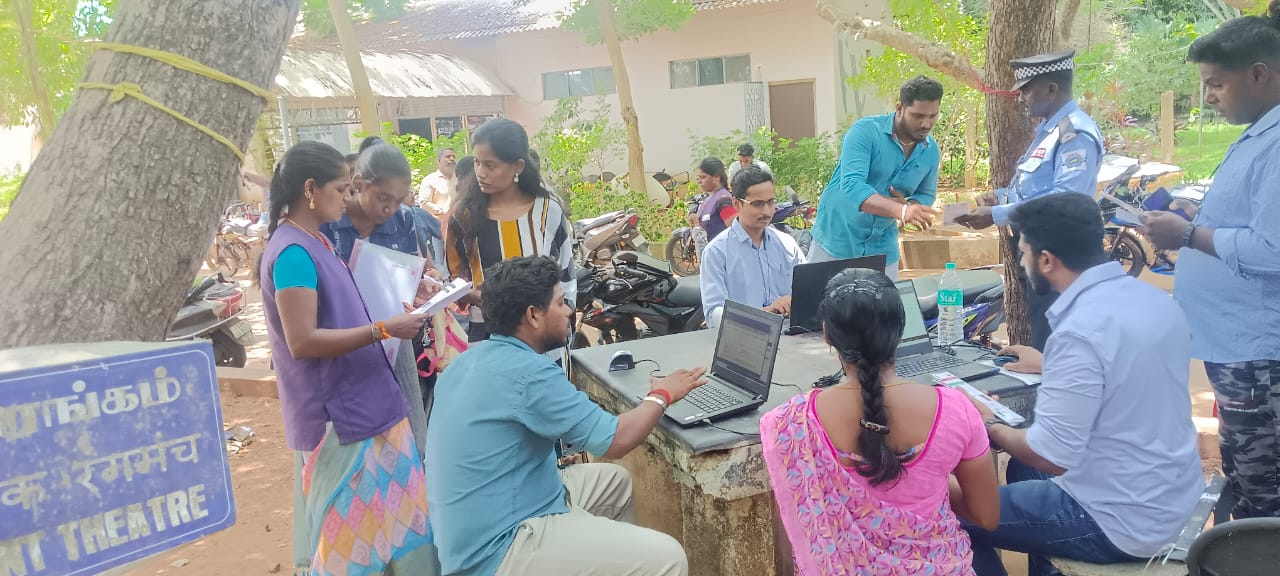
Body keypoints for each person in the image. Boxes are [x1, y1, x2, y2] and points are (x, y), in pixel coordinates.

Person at [961, 193, 1202, 576]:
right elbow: (1124, 370)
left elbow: (1050, 456)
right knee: (1022, 470)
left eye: (1023, 254)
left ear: (1046, 260)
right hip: (1172, 496)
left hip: (1118, 522)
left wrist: (989, 422)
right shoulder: (1151, 299)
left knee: (958, 512)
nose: (1021, 264)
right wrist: (1050, 365)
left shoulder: (1079, 332)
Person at [426, 255, 704, 576]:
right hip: (499, 547)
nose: (569, 311)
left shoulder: (467, 362)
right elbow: (615, 440)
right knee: (668, 557)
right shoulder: (529, 372)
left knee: (615, 483)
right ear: (533, 315)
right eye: (560, 303)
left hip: (472, 531)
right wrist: (662, 395)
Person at [258, 141, 440, 575]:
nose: (347, 197)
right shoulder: (293, 253)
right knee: (351, 547)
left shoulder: (316, 241)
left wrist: (407, 294)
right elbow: (303, 340)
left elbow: (346, 306)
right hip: (341, 421)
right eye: (341, 189)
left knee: (402, 529)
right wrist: (383, 329)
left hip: (371, 407)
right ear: (310, 189)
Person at [761, 268, 999, 575]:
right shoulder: (956, 410)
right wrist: (933, 477)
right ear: (900, 331)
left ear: (827, 335)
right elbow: (987, 516)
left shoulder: (790, 423)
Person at [1141, 2, 1280, 520]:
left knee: (1265, 499)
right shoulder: (1260, 132)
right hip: (1237, 349)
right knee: (1244, 482)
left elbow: (1273, 249)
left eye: (1216, 84)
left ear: (1259, 74)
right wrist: (1195, 213)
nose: (1208, 97)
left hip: (1259, 358)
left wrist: (1189, 234)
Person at [955, 50, 1104, 351]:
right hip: (1039, 254)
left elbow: (1065, 199)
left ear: (1052, 89)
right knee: (1044, 336)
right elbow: (1036, 189)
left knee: (1058, 344)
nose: (1021, 97)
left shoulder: (1074, 134)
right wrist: (999, 197)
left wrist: (996, 214)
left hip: (1061, 256)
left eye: (1026, 90)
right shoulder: (1049, 131)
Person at [320, 142, 439, 460]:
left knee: (411, 430)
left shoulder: (404, 219)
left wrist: (418, 289)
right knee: (357, 438)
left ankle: (416, 478)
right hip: (344, 339)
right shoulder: (328, 223)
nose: (390, 208)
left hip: (394, 337)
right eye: (384, 198)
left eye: (398, 200)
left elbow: (406, 272)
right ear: (358, 184)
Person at [446, 119, 575, 344]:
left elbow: (566, 276)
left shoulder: (547, 211)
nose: (480, 173)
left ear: (518, 166)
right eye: (477, 162)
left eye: (490, 165)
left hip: (543, 340)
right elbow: (454, 277)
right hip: (487, 337)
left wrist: (560, 317)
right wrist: (473, 295)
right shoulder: (463, 215)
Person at [808, 75, 943, 280]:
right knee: (817, 301)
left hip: (882, 247)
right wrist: (901, 210)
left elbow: (926, 193)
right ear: (900, 109)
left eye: (933, 116)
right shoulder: (864, 132)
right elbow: (852, 186)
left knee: (884, 302)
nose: (926, 123)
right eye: (918, 116)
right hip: (835, 240)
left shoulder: (930, 151)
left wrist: (912, 206)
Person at [700, 166, 806, 328]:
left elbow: (808, 292)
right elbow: (714, 314)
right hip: (745, 337)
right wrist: (763, 314)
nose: (766, 211)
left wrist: (795, 301)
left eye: (771, 202)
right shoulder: (717, 252)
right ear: (736, 203)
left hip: (792, 333)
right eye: (757, 204)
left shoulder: (787, 244)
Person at [688, 157, 735, 257]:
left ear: (716, 177)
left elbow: (735, 231)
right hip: (710, 258)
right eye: (698, 178)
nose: (699, 181)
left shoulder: (723, 200)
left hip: (722, 258)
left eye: (703, 177)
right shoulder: (708, 198)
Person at [419, 147, 458, 221]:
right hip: (438, 224)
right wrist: (443, 211)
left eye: (453, 157)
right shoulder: (430, 180)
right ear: (438, 161)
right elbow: (423, 203)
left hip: (460, 223)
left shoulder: (460, 179)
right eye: (448, 157)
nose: (452, 159)